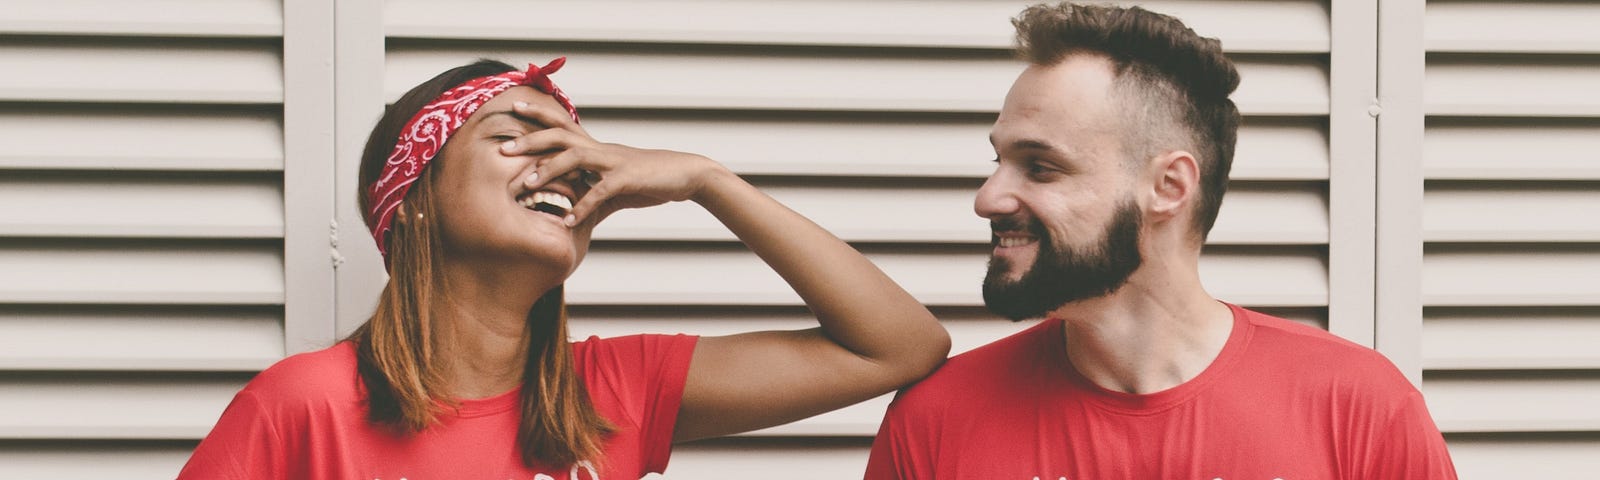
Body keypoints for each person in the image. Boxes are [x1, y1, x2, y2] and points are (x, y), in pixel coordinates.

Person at [178, 58, 950, 479]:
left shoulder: (611, 393)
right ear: (411, 198)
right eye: (518, 135)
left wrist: (708, 181)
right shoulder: (300, 408)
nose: (568, 167)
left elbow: (898, 346)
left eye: (577, 149)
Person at [865, 3, 1456, 479]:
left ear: (1168, 187)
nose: (987, 198)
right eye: (998, 161)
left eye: (1040, 168)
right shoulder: (934, 421)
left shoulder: (1359, 408)